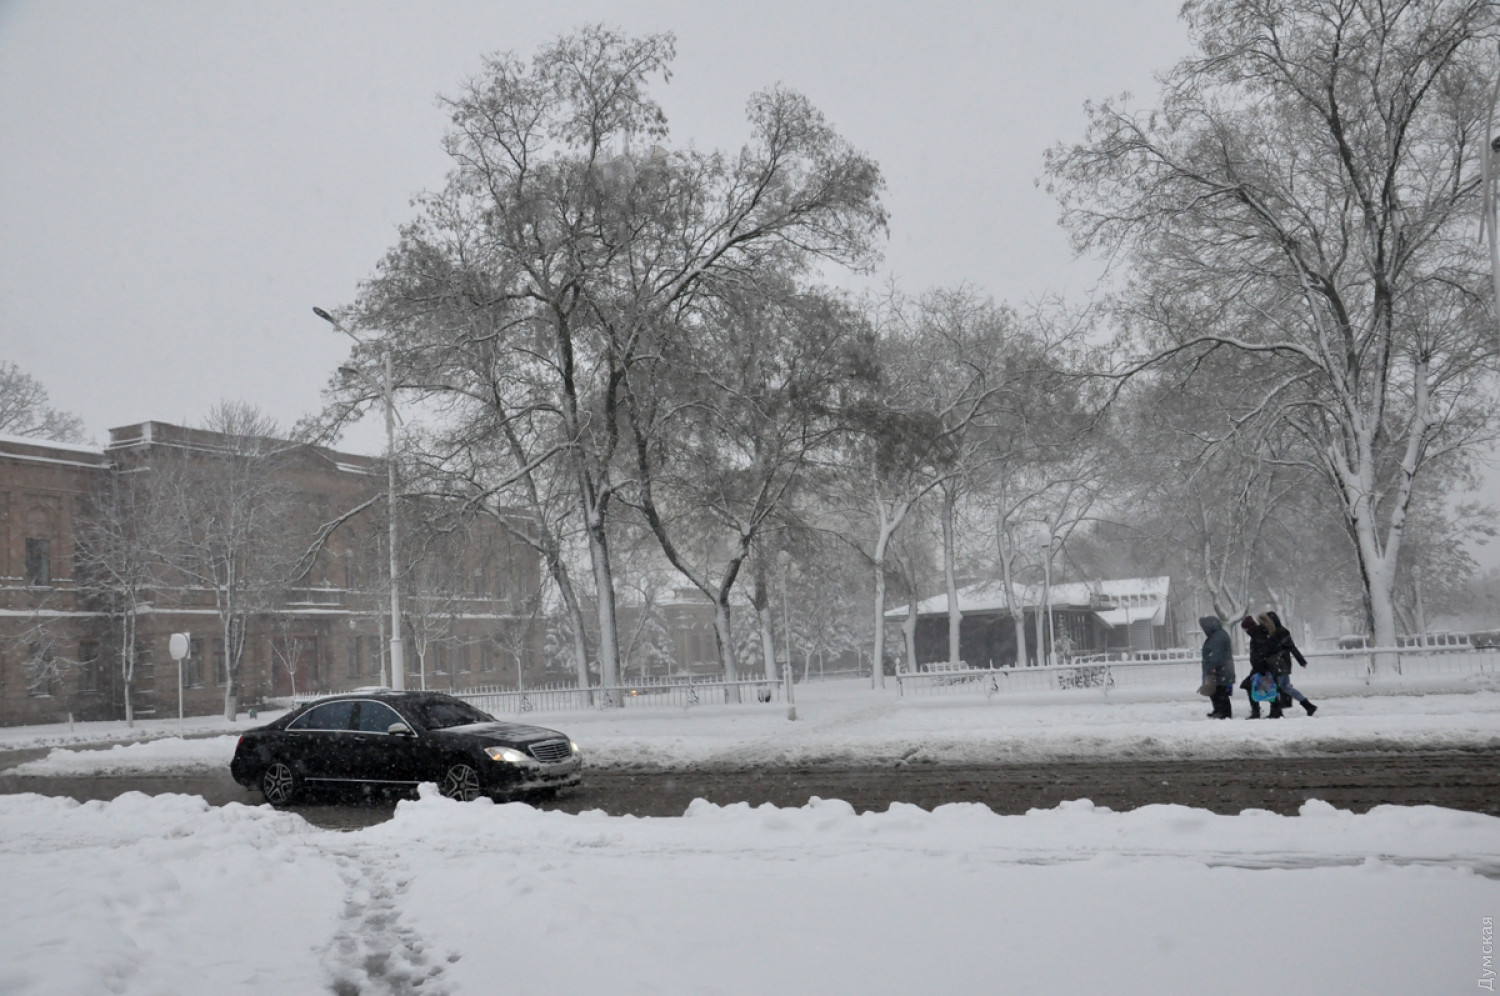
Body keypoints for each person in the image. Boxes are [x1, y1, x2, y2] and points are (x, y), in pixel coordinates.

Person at [1263, 610, 1317, 716]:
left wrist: (1301, 661)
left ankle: (1277, 711)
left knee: (1275, 687)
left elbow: (1291, 647)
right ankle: (1308, 705)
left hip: (1279, 664)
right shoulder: (1281, 631)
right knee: (1285, 687)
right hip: (1284, 664)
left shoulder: (1278, 632)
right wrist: (1301, 661)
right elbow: (1292, 647)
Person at [1240, 615, 1281, 719]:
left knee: (1250, 686)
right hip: (1263, 667)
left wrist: (1260, 666)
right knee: (1267, 688)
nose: (1245, 631)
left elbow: (1262, 652)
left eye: (1245, 628)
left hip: (1262, 667)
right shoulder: (1258, 633)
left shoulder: (1257, 635)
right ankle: (1275, 711)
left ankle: (1257, 711)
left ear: (1249, 627)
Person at [1200, 615, 1234, 718]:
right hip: (1222, 670)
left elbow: (1215, 655)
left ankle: (1223, 712)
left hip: (1219, 670)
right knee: (1216, 691)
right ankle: (1219, 710)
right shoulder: (1217, 636)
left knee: (1219, 692)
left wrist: (1212, 667)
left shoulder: (1217, 637)